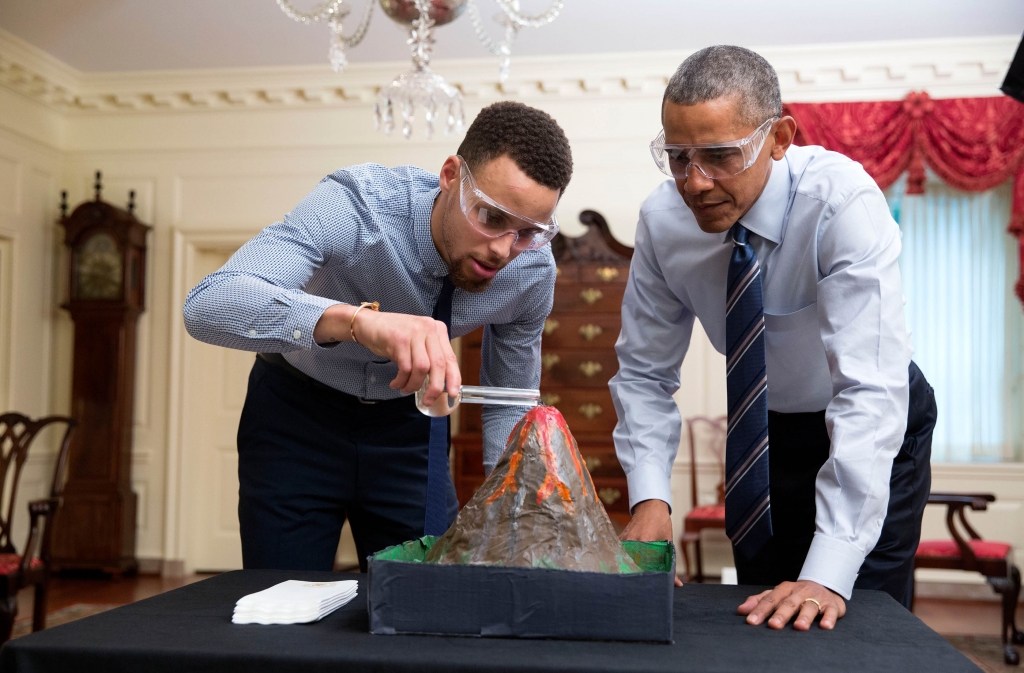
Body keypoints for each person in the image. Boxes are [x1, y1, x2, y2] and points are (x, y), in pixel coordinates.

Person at [611, 46, 936, 630]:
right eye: (677, 157)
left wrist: (829, 568)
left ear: (780, 137)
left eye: (718, 156)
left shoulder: (841, 204)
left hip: (874, 420)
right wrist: (650, 500)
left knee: (855, 617)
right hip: (766, 433)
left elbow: (869, 391)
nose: (695, 182)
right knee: (763, 614)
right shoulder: (662, 222)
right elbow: (644, 373)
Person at [183, 101, 572, 572]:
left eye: (527, 232)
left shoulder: (531, 271)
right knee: (282, 603)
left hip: (409, 429)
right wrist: (358, 322)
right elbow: (209, 303)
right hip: (294, 417)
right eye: (490, 218)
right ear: (451, 175)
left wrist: (509, 511)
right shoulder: (356, 206)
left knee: (423, 605)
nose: (502, 250)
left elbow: (508, 398)